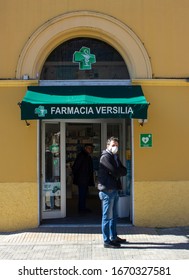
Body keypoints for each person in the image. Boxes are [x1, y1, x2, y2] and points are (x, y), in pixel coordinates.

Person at [98, 136, 127, 248]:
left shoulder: (115, 157)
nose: (115, 147)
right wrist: (117, 171)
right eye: (113, 145)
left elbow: (124, 170)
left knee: (114, 215)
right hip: (107, 190)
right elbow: (116, 172)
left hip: (114, 189)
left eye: (117, 145)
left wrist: (117, 171)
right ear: (108, 146)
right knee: (107, 216)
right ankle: (106, 240)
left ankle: (113, 237)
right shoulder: (105, 157)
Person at [72, 143, 95, 213]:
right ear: (85, 148)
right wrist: (80, 176)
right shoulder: (82, 156)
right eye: (90, 148)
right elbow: (75, 167)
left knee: (84, 194)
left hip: (84, 179)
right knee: (82, 194)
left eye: (92, 149)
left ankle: (83, 208)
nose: (91, 150)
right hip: (82, 179)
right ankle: (81, 209)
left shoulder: (86, 156)